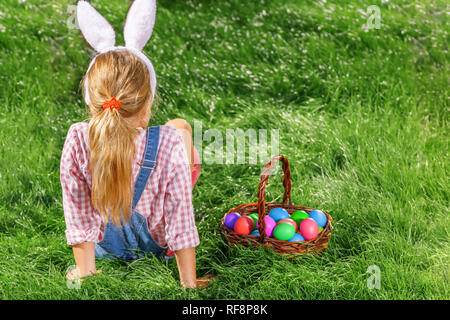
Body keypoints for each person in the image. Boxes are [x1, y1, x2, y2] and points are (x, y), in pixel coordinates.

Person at [61, 0, 210, 288]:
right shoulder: (168, 143)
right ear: (148, 104)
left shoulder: (77, 139)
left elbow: (77, 210)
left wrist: (85, 272)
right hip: (156, 245)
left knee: (176, 133)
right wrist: (189, 283)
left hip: (102, 246)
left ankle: (88, 268)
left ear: (92, 102)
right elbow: (180, 214)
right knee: (180, 128)